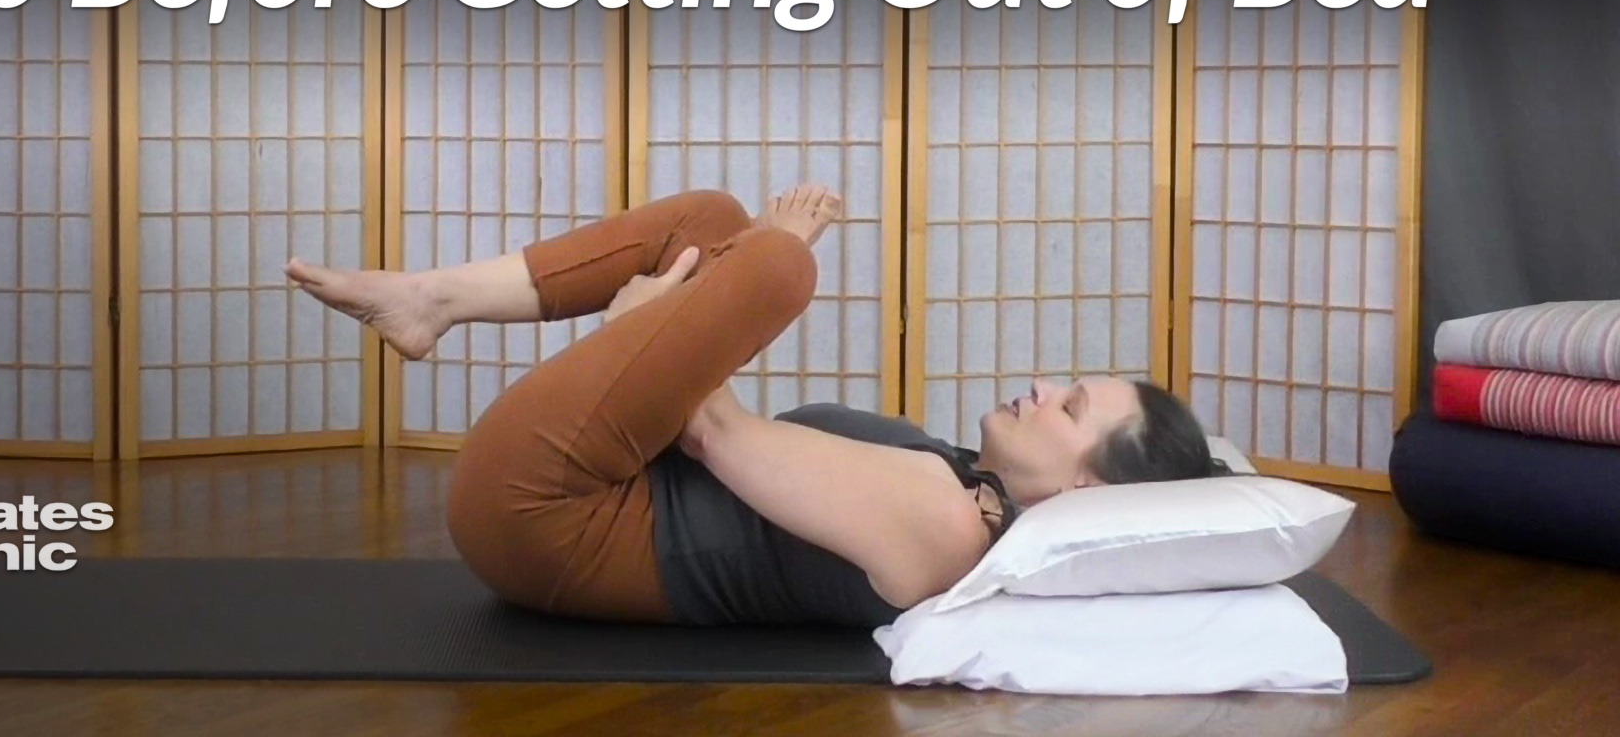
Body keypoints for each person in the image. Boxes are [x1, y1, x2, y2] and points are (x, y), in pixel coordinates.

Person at [286, 186, 1217, 628]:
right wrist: (699, 285)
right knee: (711, 220)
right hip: (610, 482)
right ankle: (434, 300)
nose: (1044, 387)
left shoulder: (945, 526)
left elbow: (711, 429)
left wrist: (639, 323)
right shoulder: (958, 481)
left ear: (1086, 488)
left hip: (547, 519)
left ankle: (437, 302)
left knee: (778, 263)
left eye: (1070, 407)